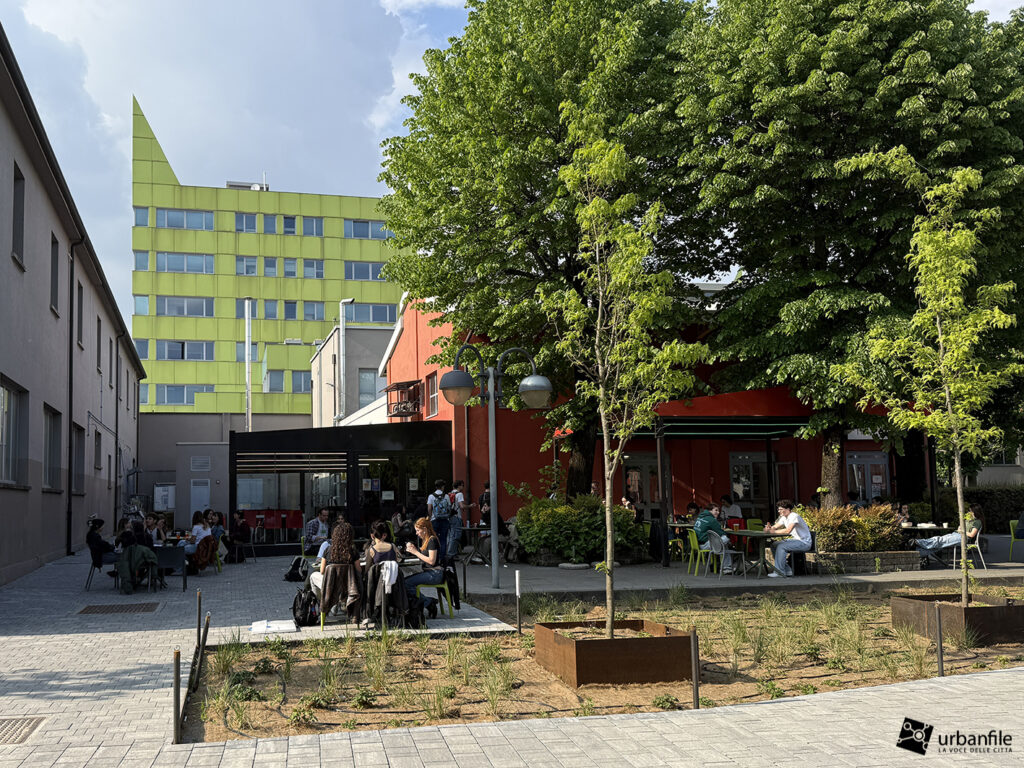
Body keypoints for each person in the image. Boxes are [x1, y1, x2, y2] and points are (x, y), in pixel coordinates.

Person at [404, 516, 445, 619]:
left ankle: (427, 602)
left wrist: (416, 552)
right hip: (429, 572)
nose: (416, 533)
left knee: (406, 583)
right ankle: (427, 602)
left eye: (418, 530)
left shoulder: (432, 540)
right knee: (405, 581)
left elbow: (431, 560)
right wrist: (414, 550)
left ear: (425, 529)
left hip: (435, 574)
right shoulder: (425, 540)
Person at [915, 505, 983, 565]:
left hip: (963, 538)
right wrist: (961, 527)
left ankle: (917, 542)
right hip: (956, 534)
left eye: (970, 511)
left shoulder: (977, 522)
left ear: (975, 512)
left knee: (940, 540)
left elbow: (971, 534)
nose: (968, 512)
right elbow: (959, 528)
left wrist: (962, 531)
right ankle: (916, 551)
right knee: (938, 545)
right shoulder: (968, 520)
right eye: (969, 511)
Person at [310, 519, 360, 594]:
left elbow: (322, 571)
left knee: (313, 576)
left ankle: (321, 599)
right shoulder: (353, 551)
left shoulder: (328, 549)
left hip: (330, 585)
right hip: (348, 585)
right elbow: (358, 570)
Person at [765, 499, 812, 578]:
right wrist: (769, 528)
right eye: (778, 509)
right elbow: (775, 527)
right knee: (774, 544)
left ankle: (780, 572)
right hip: (796, 541)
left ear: (788, 509)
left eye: (781, 509)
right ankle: (787, 570)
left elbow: (788, 531)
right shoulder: (784, 517)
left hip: (804, 543)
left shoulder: (794, 516)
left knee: (781, 546)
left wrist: (773, 532)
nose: (779, 511)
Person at [693, 503, 735, 574]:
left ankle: (725, 567)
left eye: (718, 511)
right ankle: (726, 568)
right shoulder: (712, 520)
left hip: (699, 544)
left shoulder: (700, 517)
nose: (718, 512)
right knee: (725, 539)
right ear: (710, 510)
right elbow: (721, 533)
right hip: (706, 544)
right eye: (716, 510)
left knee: (724, 545)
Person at [426, 479, 451, 560]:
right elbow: (449, 507)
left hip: (435, 520)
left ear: (436, 486)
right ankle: (442, 557)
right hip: (445, 520)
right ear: (443, 486)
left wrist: (431, 517)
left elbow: (429, 508)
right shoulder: (446, 496)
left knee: (434, 539)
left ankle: (435, 557)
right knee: (443, 539)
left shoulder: (431, 496)